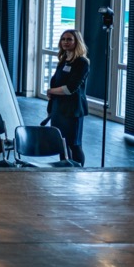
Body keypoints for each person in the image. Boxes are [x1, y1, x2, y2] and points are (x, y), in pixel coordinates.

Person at [47, 29, 89, 165]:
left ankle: (78, 171)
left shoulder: (82, 62)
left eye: (69, 39)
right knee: (61, 143)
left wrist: (51, 91)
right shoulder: (63, 60)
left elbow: (71, 88)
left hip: (72, 110)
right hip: (58, 108)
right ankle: (64, 170)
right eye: (63, 39)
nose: (65, 42)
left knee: (74, 144)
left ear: (77, 42)